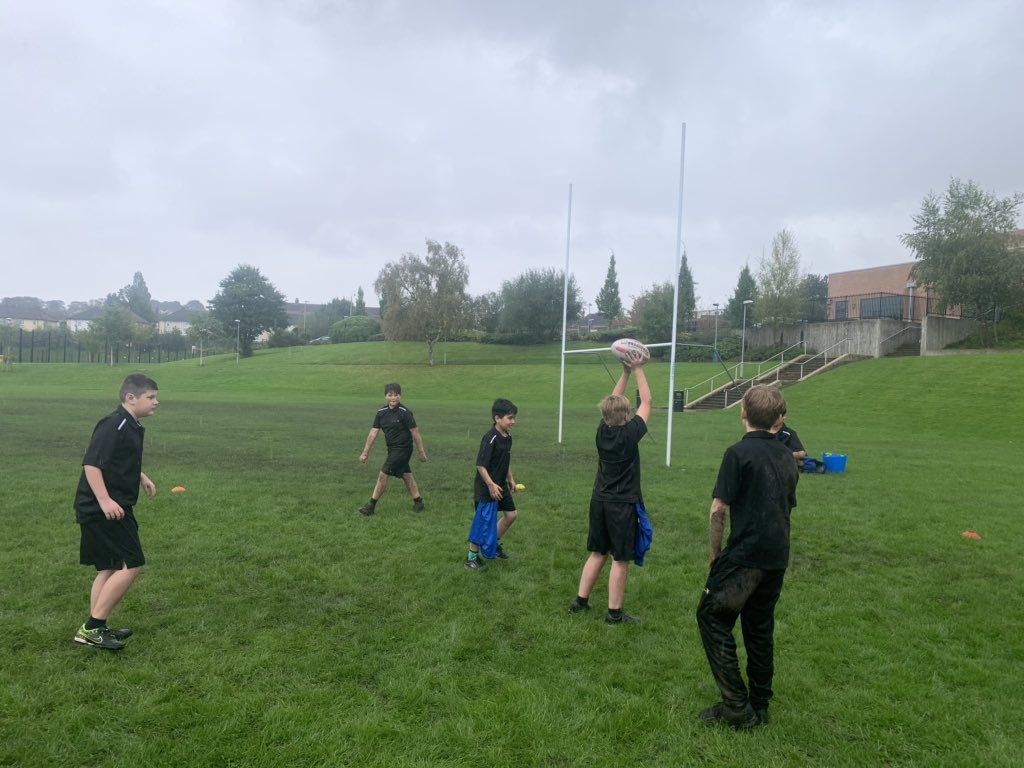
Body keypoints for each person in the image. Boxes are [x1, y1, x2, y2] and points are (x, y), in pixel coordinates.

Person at [696, 384, 799, 729]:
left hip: (746, 556)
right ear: (777, 418)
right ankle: (761, 704)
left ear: (743, 412)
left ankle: (738, 707)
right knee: (759, 627)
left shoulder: (737, 454)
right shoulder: (787, 455)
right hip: (776, 556)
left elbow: (718, 510)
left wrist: (715, 555)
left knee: (711, 616)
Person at [73, 373, 160, 650]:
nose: (156, 402)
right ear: (130, 398)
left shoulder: (130, 424)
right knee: (132, 563)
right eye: (151, 397)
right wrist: (105, 501)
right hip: (105, 509)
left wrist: (141, 476)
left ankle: (96, 626)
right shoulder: (115, 424)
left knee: (110, 565)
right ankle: (92, 628)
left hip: (112, 506)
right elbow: (92, 464)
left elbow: (119, 459)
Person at [568, 348, 651, 624]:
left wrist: (624, 373)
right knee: (620, 558)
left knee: (598, 552)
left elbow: (613, 404)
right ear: (627, 415)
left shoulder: (601, 431)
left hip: (599, 501)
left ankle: (580, 601)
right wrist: (637, 369)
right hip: (621, 504)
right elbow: (647, 402)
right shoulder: (630, 434)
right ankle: (614, 614)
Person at [358, 383, 428, 515]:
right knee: (406, 475)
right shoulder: (381, 413)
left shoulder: (405, 413)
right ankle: (418, 501)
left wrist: (421, 452)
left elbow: (415, 432)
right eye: (390, 395)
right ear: (385, 396)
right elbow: (373, 433)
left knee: (383, 475)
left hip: (404, 449)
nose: (393, 398)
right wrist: (365, 452)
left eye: (396, 395)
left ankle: (371, 506)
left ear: (400, 396)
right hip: (392, 449)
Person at [464, 399, 518, 569]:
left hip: (500, 485)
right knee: (483, 521)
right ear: (497, 418)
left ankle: (493, 546)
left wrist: (510, 479)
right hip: (487, 488)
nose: (513, 422)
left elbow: (505, 460)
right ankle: (471, 557)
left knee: (511, 515)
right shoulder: (490, 438)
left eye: (514, 418)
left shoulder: (507, 437)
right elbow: (481, 465)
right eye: (509, 418)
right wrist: (490, 485)